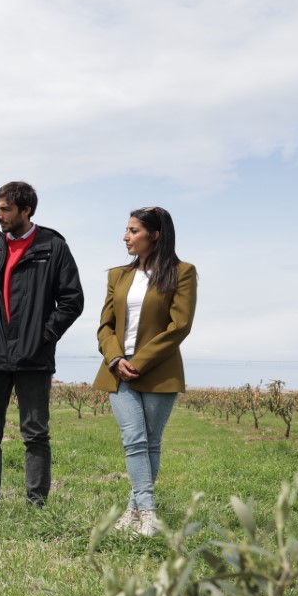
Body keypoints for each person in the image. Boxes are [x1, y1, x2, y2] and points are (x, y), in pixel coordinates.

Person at [0, 181, 84, 511]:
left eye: (5, 209)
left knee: (35, 434)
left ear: (26, 210)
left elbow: (72, 300)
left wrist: (45, 334)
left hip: (34, 357)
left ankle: (37, 504)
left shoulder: (53, 248)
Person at [93, 206, 197, 536]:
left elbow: (179, 325)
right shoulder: (117, 276)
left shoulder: (182, 272)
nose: (126, 237)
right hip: (116, 370)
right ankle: (148, 512)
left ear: (155, 235)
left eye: (134, 231)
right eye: (126, 230)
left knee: (150, 442)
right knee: (133, 439)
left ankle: (134, 510)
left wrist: (139, 361)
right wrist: (115, 359)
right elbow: (105, 326)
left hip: (158, 370)